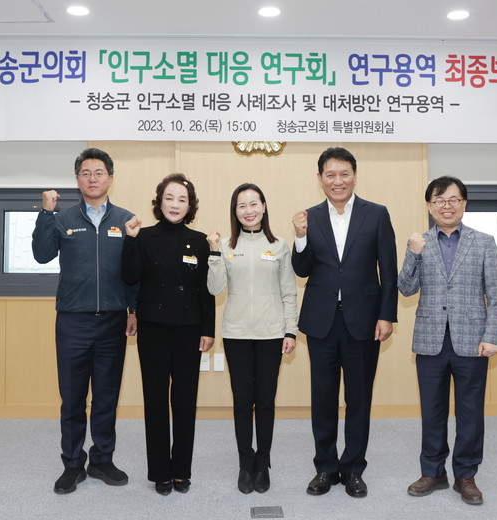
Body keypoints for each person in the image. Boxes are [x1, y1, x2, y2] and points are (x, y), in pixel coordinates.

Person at [291, 147, 398, 498]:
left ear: (354, 175)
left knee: (359, 398)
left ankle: (353, 469)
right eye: (330, 175)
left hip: (364, 320)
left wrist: (387, 314)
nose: (338, 181)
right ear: (320, 178)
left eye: (344, 174)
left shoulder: (376, 214)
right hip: (322, 321)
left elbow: (388, 269)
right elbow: (302, 270)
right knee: (322, 397)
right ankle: (325, 467)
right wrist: (300, 237)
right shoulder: (309, 217)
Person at [32, 147, 138, 495]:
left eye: (99, 173)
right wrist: (45, 213)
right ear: (77, 179)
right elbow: (42, 254)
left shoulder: (126, 220)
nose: (93, 179)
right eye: (86, 173)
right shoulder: (62, 218)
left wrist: (133, 310)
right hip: (72, 322)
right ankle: (73, 464)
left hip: (112, 322)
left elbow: (134, 272)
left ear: (110, 178)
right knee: (73, 398)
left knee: (106, 396)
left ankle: (102, 460)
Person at [399, 176, 497, 506]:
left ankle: (466, 475)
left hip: (473, 341)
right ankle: (432, 472)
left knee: (470, 412)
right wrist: (413, 254)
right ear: (429, 206)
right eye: (439, 200)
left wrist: (492, 336)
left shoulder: (484, 242)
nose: (446, 206)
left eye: (453, 199)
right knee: (432, 411)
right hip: (430, 339)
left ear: (464, 203)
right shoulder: (419, 242)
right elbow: (406, 288)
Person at [120, 173, 215, 496]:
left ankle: (181, 471)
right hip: (153, 329)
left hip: (189, 330)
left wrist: (208, 329)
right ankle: (160, 471)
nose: (175, 204)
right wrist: (130, 241)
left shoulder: (200, 241)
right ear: (159, 202)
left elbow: (206, 291)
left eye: (182, 199)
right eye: (169, 198)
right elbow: (129, 277)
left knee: (185, 402)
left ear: (190, 206)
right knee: (156, 401)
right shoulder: (143, 237)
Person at [206, 183, 298, 494]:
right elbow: (215, 289)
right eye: (242, 205)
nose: (249, 210)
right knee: (243, 402)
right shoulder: (226, 245)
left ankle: (263, 462)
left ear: (264, 206)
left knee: (266, 401)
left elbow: (289, 292)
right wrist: (214, 253)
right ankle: (245, 462)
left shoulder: (280, 245)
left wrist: (290, 330)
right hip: (236, 335)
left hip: (272, 334)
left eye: (254, 203)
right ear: (235, 211)